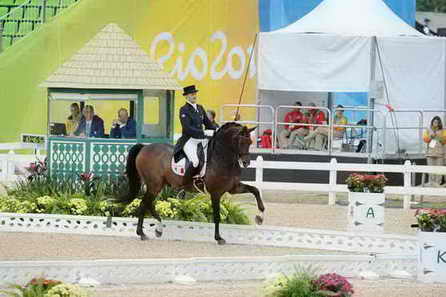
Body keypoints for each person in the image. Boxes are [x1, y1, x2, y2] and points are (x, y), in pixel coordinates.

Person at [173, 85, 216, 180]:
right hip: (189, 140)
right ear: (186, 96)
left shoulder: (200, 108)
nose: (194, 96)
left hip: (201, 139)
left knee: (210, 158)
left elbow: (208, 124)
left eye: (195, 94)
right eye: (192, 94)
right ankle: (185, 183)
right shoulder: (184, 110)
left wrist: (216, 130)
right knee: (195, 161)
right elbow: (188, 128)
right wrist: (204, 133)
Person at [423, 116, 446, 186]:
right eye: (434, 122)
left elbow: (444, 141)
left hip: (440, 154)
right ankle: (431, 184)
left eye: (437, 122)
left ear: (439, 123)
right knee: (431, 170)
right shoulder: (428, 130)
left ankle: (437, 184)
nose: (435, 123)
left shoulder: (443, 130)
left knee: (439, 170)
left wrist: (439, 136)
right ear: (432, 122)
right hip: (430, 154)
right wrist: (431, 136)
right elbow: (425, 139)